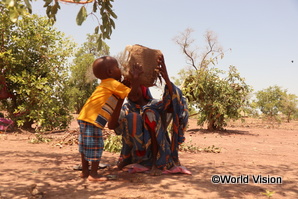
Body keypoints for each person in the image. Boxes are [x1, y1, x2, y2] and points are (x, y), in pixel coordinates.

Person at [115, 55, 189, 175]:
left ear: (143, 88)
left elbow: (174, 103)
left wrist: (166, 77)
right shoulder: (127, 108)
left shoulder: (154, 104)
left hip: (159, 152)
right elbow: (114, 126)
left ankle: (156, 161)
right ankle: (130, 158)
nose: (132, 92)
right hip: (136, 154)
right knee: (132, 117)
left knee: (150, 113)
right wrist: (120, 94)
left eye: (136, 86)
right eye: (129, 89)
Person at [77, 56, 142, 181]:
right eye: (117, 67)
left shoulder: (106, 84)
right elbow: (133, 94)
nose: (120, 69)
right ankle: (93, 174)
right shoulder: (113, 83)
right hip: (93, 119)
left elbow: (120, 95)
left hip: (84, 116)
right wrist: (136, 79)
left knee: (85, 146)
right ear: (110, 72)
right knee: (96, 145)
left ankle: (85, 171)